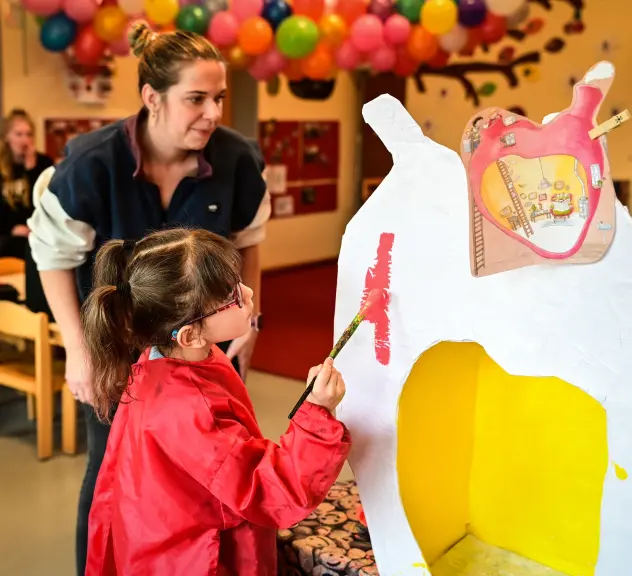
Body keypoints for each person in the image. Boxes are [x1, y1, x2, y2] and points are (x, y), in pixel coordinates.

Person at [27, 23, 270, 576]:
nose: (212, 112)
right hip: (116, 351)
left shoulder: (237, 160)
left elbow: (251, 244)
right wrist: (78, 351)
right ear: (151, 98)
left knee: (210, 467)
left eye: (219, 99)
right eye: (196, 99)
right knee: (112, 469)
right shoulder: (92, 163)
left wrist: (250, 323)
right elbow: (52, 257)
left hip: (201, 351)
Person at [82, 228, 350, 575]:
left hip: (154, 535)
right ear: (191, 332)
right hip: (196, 556)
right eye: (232, 295)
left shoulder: (162, 358)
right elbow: (268, 488)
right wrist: (317, 413)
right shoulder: (191, 409)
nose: (250, 292)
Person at [0, 109, 53, 259]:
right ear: (6, 137)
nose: (25, 140)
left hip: (36, 233)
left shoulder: (43, 163)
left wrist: (32, 172)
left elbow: (46, 203)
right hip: (7, 235)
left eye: (29, 134)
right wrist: (11, 228)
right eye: (18, 134)